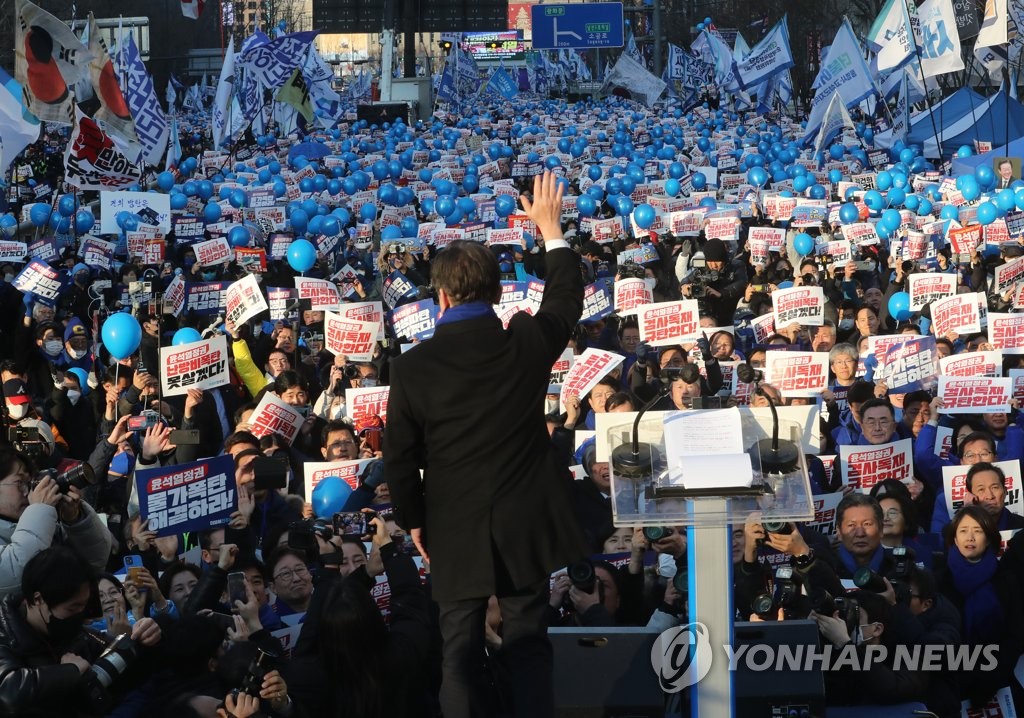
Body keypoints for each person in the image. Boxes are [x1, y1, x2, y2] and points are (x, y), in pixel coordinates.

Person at [385, 171, 586, 718]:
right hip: (525, 526)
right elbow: (567, 300)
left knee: (458, 656)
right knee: (528, 647)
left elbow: (398, 458)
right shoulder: (523, 342)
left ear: (442, 296)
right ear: (497, 292)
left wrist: (414, 520)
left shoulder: (411, 369)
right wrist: (552, 231)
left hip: (453, 527)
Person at [0, 448, 112, 597]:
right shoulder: (40, 518)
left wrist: (75, 520)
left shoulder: (47, 526)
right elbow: (13, 576)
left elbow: (95, 563)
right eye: (19, 482)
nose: (29, 491)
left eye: (30, 482)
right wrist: (40, 509)